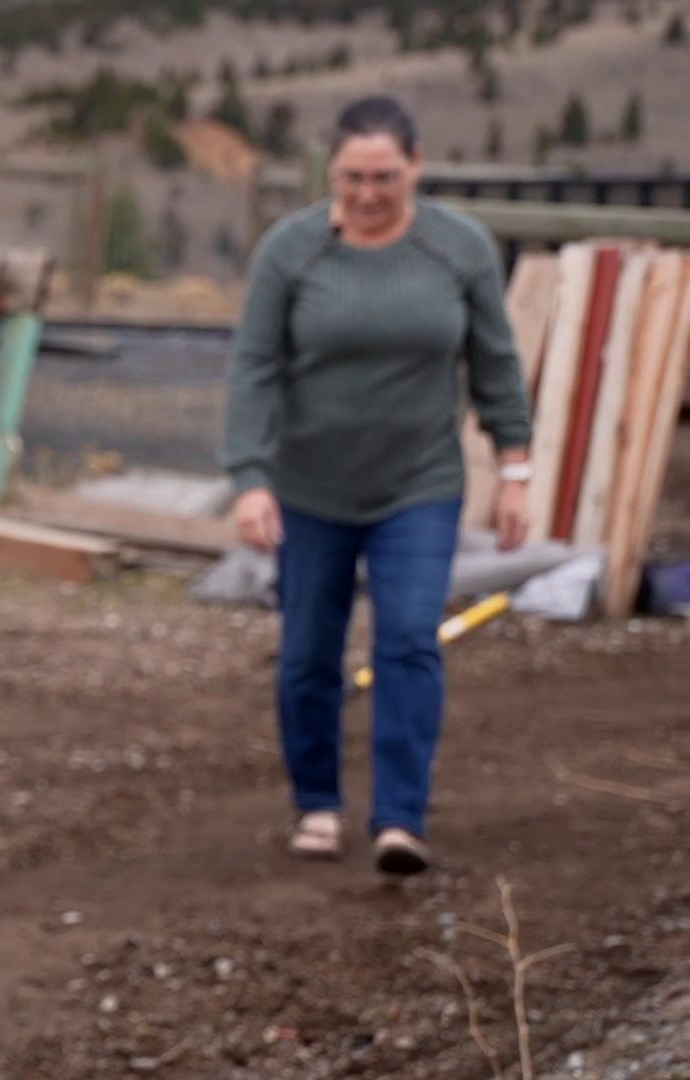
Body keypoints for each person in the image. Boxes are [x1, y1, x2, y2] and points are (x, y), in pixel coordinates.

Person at [219, 94, 533, 876]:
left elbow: (494, 363)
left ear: (416, 167)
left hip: (419, 485)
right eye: (352, 176)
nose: (367, 193)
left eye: (384, 176)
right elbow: (254, 369)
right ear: (332, 171)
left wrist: (516, 470)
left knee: (407, 641)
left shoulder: (460, 249)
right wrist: (251, 480)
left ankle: (401, 819)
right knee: (308, 655)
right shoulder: (291, 252)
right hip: (308, 487)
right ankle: (318, 804)